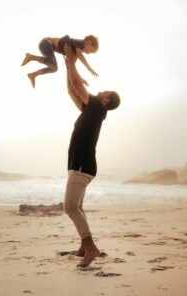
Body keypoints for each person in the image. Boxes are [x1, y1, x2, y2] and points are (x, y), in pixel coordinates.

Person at [63, 43, 120, 268]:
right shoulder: (92, 110)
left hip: (81, 166)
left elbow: (78, 84)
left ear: (106, 100)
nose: (100, 90)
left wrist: (70, 60)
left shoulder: (98, 107)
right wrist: (69, 66)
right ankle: (83, 245)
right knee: (79, 207)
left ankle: (91, 247)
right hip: (82, 165)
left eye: (104, 91)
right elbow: (72, 89)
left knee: (70, 207)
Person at [21, 35, 99, 88]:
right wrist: (90, 70)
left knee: (54, 68)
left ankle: (33, 75)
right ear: (89, 42)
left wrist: (80, 78)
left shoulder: (74, 51)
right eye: (91, 51)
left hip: (46, 45)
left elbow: (72, 67)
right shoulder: (81, 43)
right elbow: (81, 56)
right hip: (46, 43)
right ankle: (30, 57)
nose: (88, 53)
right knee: (53, 65)